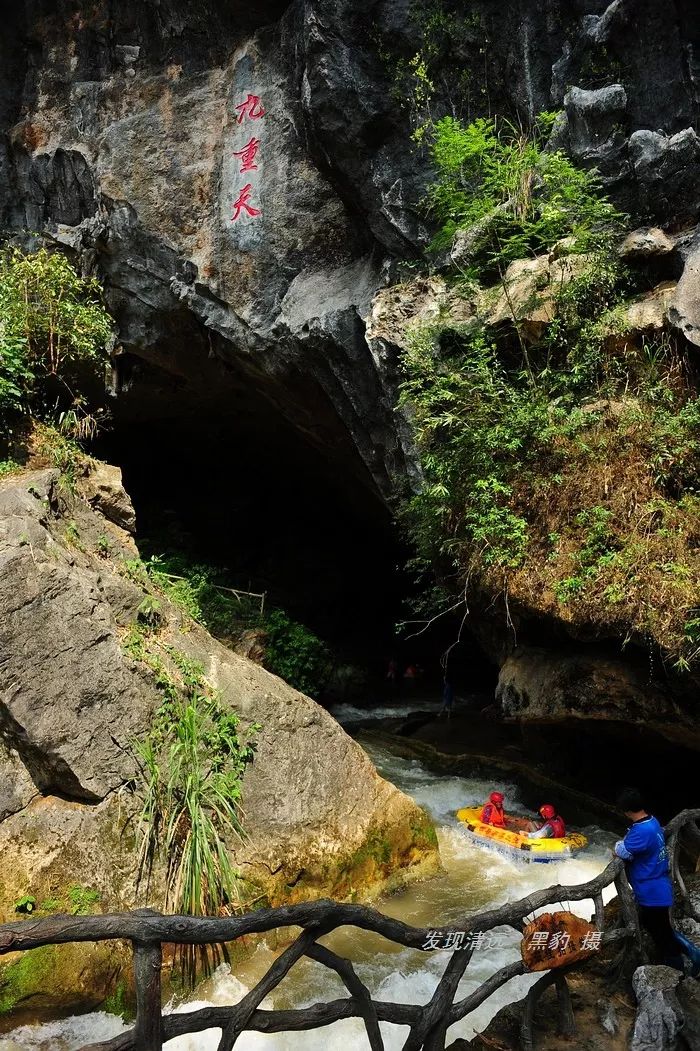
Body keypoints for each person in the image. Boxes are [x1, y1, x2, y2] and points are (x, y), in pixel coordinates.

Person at [614, 787, 700, 974]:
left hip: (650, 891)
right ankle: (692, 953)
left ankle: (677, 972)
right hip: (659, 887)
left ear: (627, 811)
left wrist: (617, 844)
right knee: (659, 927)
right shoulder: (652, 822)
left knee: (662, 936)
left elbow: (623, 851)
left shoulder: (641, 831)